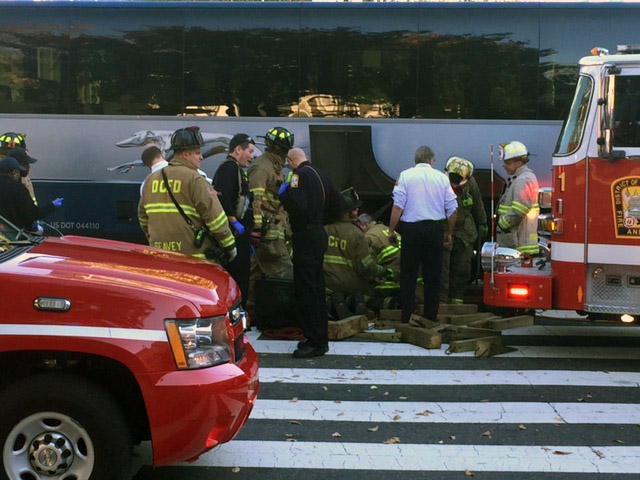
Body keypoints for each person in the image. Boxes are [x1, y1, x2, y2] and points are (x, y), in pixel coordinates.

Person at [138, 126, 236, 264]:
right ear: (185, 155)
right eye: (197, 153)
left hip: (161, 256)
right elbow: (215, 218)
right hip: (193, 259)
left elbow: (143, 218)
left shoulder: (150, 180)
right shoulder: (195, 179)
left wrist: (155, 239)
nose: (201, 157)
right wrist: (229, 245)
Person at [279, 147, 339, 358]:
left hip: (305, 236)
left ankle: (314, 341)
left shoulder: (298, 176)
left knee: (306, 289)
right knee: (317, 287)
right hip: (319, 232)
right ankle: (320, 337)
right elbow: (338, 203)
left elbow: (298, 205)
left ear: (291, 161)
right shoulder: (321, 174)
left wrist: (284, 195)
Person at [388, 146, 457, 323]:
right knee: (433, 275)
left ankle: (407, 315)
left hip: (411, 230)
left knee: (408, 274)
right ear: (432, 160)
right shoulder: (442, 178)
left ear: (415, 159)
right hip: (434, 230)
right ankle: (430, 317)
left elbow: (398, 206)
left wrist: (391, 230)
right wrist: (449, 232)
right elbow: (452, 209)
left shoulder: (405, 176)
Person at [324, 189, 391, 319]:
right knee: (369, 295)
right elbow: (365, 267)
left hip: (327, 285)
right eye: (354, 209)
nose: (357, 211)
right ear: (346, 212)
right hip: (351, 286)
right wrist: (383, 271)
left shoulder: (324, 230)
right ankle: (354, 303)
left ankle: (331, 305)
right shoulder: (357, 234)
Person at [247, 126, 295, 303]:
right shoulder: (262, 167)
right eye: (284, 149)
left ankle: (249, 306)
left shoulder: (275, 166)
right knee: (286, 272)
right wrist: (257, 228)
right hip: (268, 233)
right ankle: (286, 311)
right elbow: (255, 199)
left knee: (255, 273)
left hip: (276, 228)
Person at [213, 133, 256, 307]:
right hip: (235, 235)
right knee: (238, 279)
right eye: (250, 151)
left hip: (241, 234)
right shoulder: (229, 169)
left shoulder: (236, 169)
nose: (252, 156)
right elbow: (222, 198)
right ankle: (237, 315)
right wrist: (234, 221)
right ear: (238, 150)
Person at [440, 156, 487, 304]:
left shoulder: (471, 184)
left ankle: (457, 298)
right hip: (443, 228)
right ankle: (441, 299)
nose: (455, 186)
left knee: (462, 267)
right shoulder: (439, 182)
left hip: (465, 232)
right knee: (442, 267)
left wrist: (482, 222)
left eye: (458, 183)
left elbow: (477, 203)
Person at [496, 141, 540, 255]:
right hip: (515, 241)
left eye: (508, 163)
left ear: (519, 162)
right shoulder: (518, 178)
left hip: (520, 245)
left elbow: (519, 210)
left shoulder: (523, 180)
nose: (505, 166)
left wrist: (502, 224)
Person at [0, 157, 62, 231]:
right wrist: (52, 205)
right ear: (15, 173)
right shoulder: (17, 188)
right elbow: (33, 214)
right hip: (15, 235)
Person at [357, 213, 401, 300]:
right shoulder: (387, 229)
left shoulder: (369, 237)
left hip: (388, 284)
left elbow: (368, 267)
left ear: (365, 225)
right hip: (404, 280)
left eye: (358, 228)